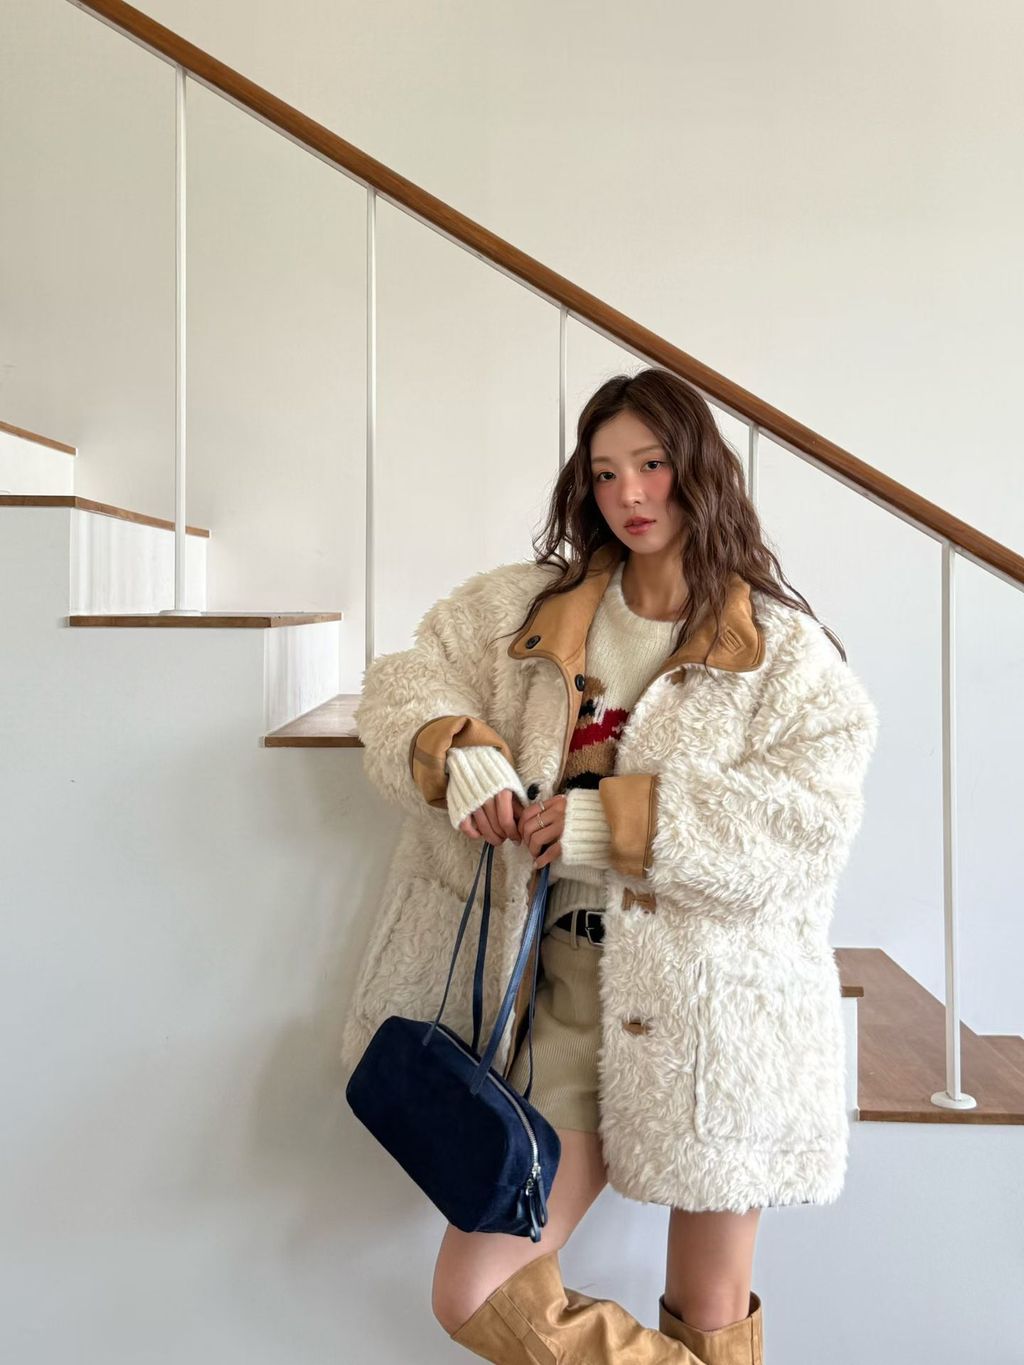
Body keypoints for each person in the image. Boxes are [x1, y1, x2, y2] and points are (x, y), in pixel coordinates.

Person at [340, 366, 879, 1364]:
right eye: (604, 473)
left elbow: (806, 829)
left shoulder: (785, 656)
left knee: (710, 1308)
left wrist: (609, 825)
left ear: (699, 470)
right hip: (561, 1006)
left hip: (719, 1020)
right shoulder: (525, 610)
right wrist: (459, 748)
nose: (630, 494)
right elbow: (401, 681)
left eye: (653, 465)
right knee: (474, 1288)